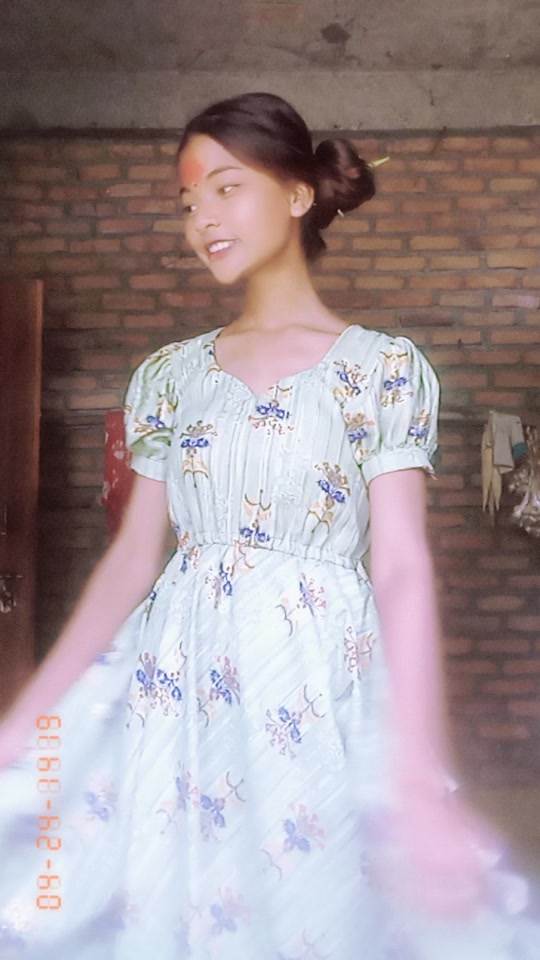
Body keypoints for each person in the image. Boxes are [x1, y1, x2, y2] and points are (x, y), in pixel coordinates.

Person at [0, 91, 538, 960]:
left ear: (296, 194)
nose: (201, 221)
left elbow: (401, 566)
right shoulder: (168, 376)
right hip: (178, 681)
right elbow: (132, 559)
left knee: (312, 902)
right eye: (187, 203)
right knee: (175, 901)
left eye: (225, 188)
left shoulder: (382, 369)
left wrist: (414, 760)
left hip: (315, 676)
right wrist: (28, 717)